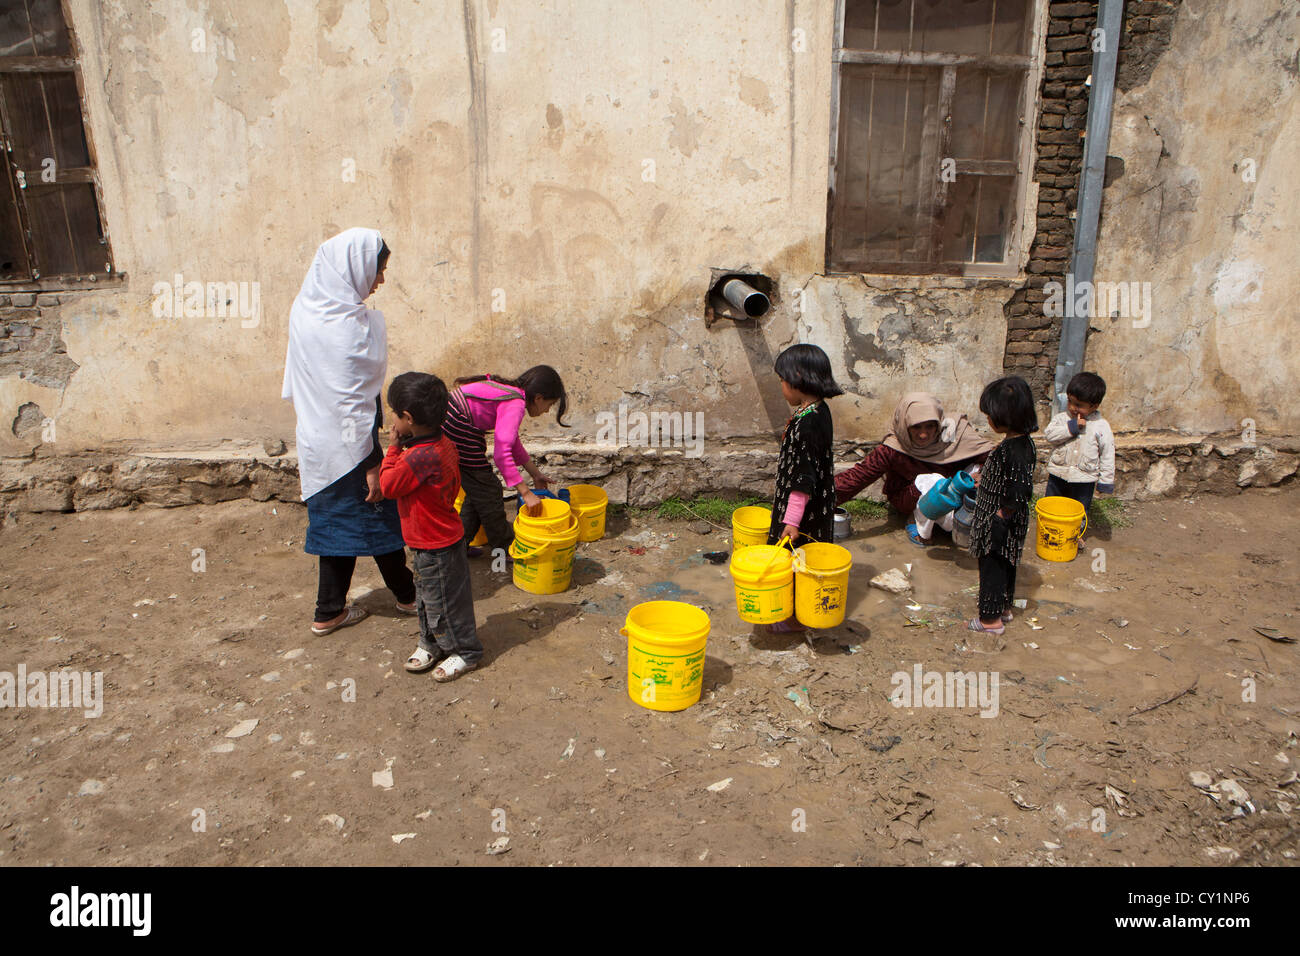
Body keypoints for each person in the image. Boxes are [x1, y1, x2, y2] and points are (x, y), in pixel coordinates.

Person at [281, 227, 416, 635]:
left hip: (317, 443)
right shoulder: (346, 327)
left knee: (337, 523)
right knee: (379, 518)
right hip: (350, 448)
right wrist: (373, 461)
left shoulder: (307, 310)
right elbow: (354, 406)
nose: (381, 280)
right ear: (354, 267)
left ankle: (329, 610)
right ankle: (409, 596)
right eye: (379, 270)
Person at [380, 372, 483, 682]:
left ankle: (466, 652)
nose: (393, 422)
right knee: (426, 598)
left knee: (445, 604)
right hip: (432, 541)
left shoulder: (418, 457)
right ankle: (431, 643)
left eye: (395, 415)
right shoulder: (441, 443)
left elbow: (387, 485)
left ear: (408, 418)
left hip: (436, 544)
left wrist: (393, 449)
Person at [835, 392, 994, 546]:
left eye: (930, 426)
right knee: (933, 481)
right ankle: (919, 525)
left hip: (952, 493)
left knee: (985, 470)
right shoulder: (893, 447)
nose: (923, 434)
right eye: (916, 427)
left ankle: (958, 521)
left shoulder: (953, 433)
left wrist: (981, 475)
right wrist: (819, 500)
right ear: (905, 425)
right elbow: (856, 477)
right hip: (910, 497)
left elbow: (992, 457)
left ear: (938, 423)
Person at [443, 367, 568, 555]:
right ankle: (505, 547)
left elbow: (512, 442)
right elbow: (502, 454)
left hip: (455, 423)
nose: (546, 411)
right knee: (488, 490)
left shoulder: (512, 394)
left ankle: (458, 547)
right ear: (539, 398)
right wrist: (525, 493)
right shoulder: (515, 403)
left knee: (480, 490)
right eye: (549, 405)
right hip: (457, 426)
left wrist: (535, 474)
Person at [767, 344, 843, 633]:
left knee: (795, 558)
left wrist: (791, 520)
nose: (782, 387)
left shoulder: (810, 422)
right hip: (811, 502)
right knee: (805, 558)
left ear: (798, 378)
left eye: (782, 382)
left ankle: (793, 616)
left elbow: (804, 477)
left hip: (803, 510)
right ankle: (801, 611)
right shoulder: (816, 411)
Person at [967, 377, 1038, 635]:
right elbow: (1009, 481)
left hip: (999, 522)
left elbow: (1020, 491)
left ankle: (989, 620)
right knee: (1007, 563)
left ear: (1004, 417)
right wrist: (984, 480)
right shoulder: (1018, 443)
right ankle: (1004, 608)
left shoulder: (1014, 450)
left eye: (990, 416)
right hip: (1006, 520)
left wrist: (999, 516)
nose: (988, 421)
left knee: (992, 568)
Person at [1042, 371, 1114, 512]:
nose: (1073, 408)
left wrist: (1106, 481)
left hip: (1084, 480)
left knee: (1078, 512)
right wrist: (1071, 427)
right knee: (1052, 508)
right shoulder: (1062, 419)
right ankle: (1051, 532)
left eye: (1079, 405)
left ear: (1094, 406)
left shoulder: (1101, 426)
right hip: (1058, 475)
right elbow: (1050, 435)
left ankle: (1076, 533)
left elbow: (1107, 454)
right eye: (1070, 401)